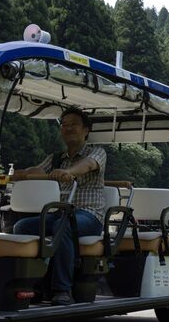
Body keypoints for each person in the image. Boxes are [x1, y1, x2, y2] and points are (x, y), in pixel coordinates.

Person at [12, 108, 106, 306]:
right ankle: (32, 285)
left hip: (88, 215)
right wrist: (23, 173)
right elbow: (39, 170)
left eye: (73, 124)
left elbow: (88, 165)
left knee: (61, 226)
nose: (68, 128)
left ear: (86, 130)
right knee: (22, 227)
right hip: (60, 213)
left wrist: (68, 172)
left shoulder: (96, 152)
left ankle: (62, 289)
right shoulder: (56, 158)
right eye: (64, 125)